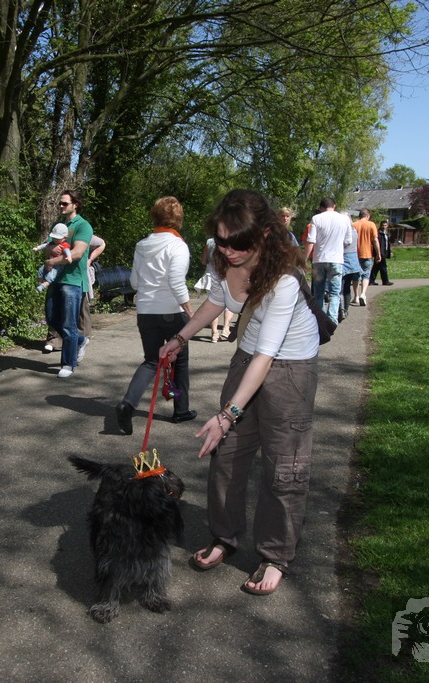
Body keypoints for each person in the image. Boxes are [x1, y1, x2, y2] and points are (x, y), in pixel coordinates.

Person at [160, 189, 320, 597]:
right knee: (227, 456)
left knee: (283, 467)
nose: (228, 250)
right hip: (246, 358)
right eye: (222, 240)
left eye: (238, 243)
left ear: (264, 234)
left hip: (290, 369)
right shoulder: (223, 258)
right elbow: (216, 302)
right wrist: (179, 338)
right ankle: (224, 536)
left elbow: (268, 355)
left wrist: (228, 413)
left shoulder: (284, 278)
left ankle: (274, 555)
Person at [116, 197, 196, 436]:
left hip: (145, 311)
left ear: (154, 216)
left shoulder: (142, 245)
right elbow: (176, 281)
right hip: (171, 311)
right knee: (180, 361)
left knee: (151, 360)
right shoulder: (178, 245)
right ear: (179, 218)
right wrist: (190, 312)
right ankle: (181, 410)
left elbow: (134, 282)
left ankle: (127, 404)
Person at [44, 190, 93, 378]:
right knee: (51, 318)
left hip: (72, 281)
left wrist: (52, 260)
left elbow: (77, 253)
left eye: (64, 203)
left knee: (68, 323)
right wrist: (53, 249)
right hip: (55, 279)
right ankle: (80, 340)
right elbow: (47, 247)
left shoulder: (83, 225)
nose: (61, 206)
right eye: (60, 203)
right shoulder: (58, 225)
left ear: (75, 204)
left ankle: (68, 364)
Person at [305, 198, 353, 324]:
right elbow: (348, 241)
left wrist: (304, 259)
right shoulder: (344, 219)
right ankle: (332, 320)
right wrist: (339, 248)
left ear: (321, 207)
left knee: (319, 292)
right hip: (336, 260)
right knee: (335, 292)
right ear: (334, 206)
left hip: (319, 260)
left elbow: (311, 240)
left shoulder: (316, 219)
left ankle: (320, 319)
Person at [197, 238, 234, 342]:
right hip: (226, 277)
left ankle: (214, 333)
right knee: (229, 304)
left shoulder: (209, 242)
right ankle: (225, 329)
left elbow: (203, 261)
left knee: (213, 304)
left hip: (211, 277)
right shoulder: (232, 240)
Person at [352, 208, 380, 306]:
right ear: (367, 215)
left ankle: (356, 296)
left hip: (355, 254)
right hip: (367, 253)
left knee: (355, 276)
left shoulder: (354, 225)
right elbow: (375, 240)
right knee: (366, 275)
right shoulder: (371, 225)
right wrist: (378, 253)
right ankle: (363, 294)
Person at [34, 223, 71, 293]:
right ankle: (39, 283)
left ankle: (42, 286)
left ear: (65, 238)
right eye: (54, 238)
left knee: (51, 275)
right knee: (40, 270)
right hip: (49, 261)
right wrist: (37, 248)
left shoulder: (64, 245)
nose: (55, 240)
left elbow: (67, 250)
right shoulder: (52, 243)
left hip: (58, 264)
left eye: (57, 238)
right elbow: (45, 245)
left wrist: (69, 256)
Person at [340, 215, 362, 322]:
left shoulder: (345, 232)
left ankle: (341, 310)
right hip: (352, 260)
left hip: (343, 259)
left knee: (339, 287)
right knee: (346, 286)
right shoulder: (354, 231)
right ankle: (345, 310)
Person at [370, 220, 394, 286]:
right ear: (380, 226)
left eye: (385, 225)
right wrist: (378, 253)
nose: (384, 227)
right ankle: (385, 281)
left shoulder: (386, 234)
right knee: (383, 267)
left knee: (376, 267)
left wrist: (389, 252)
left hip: (384, 252)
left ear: (387, 226)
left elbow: (387, 244)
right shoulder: (378, 233)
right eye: (383, 225)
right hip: (380, 253)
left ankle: (371, 280)